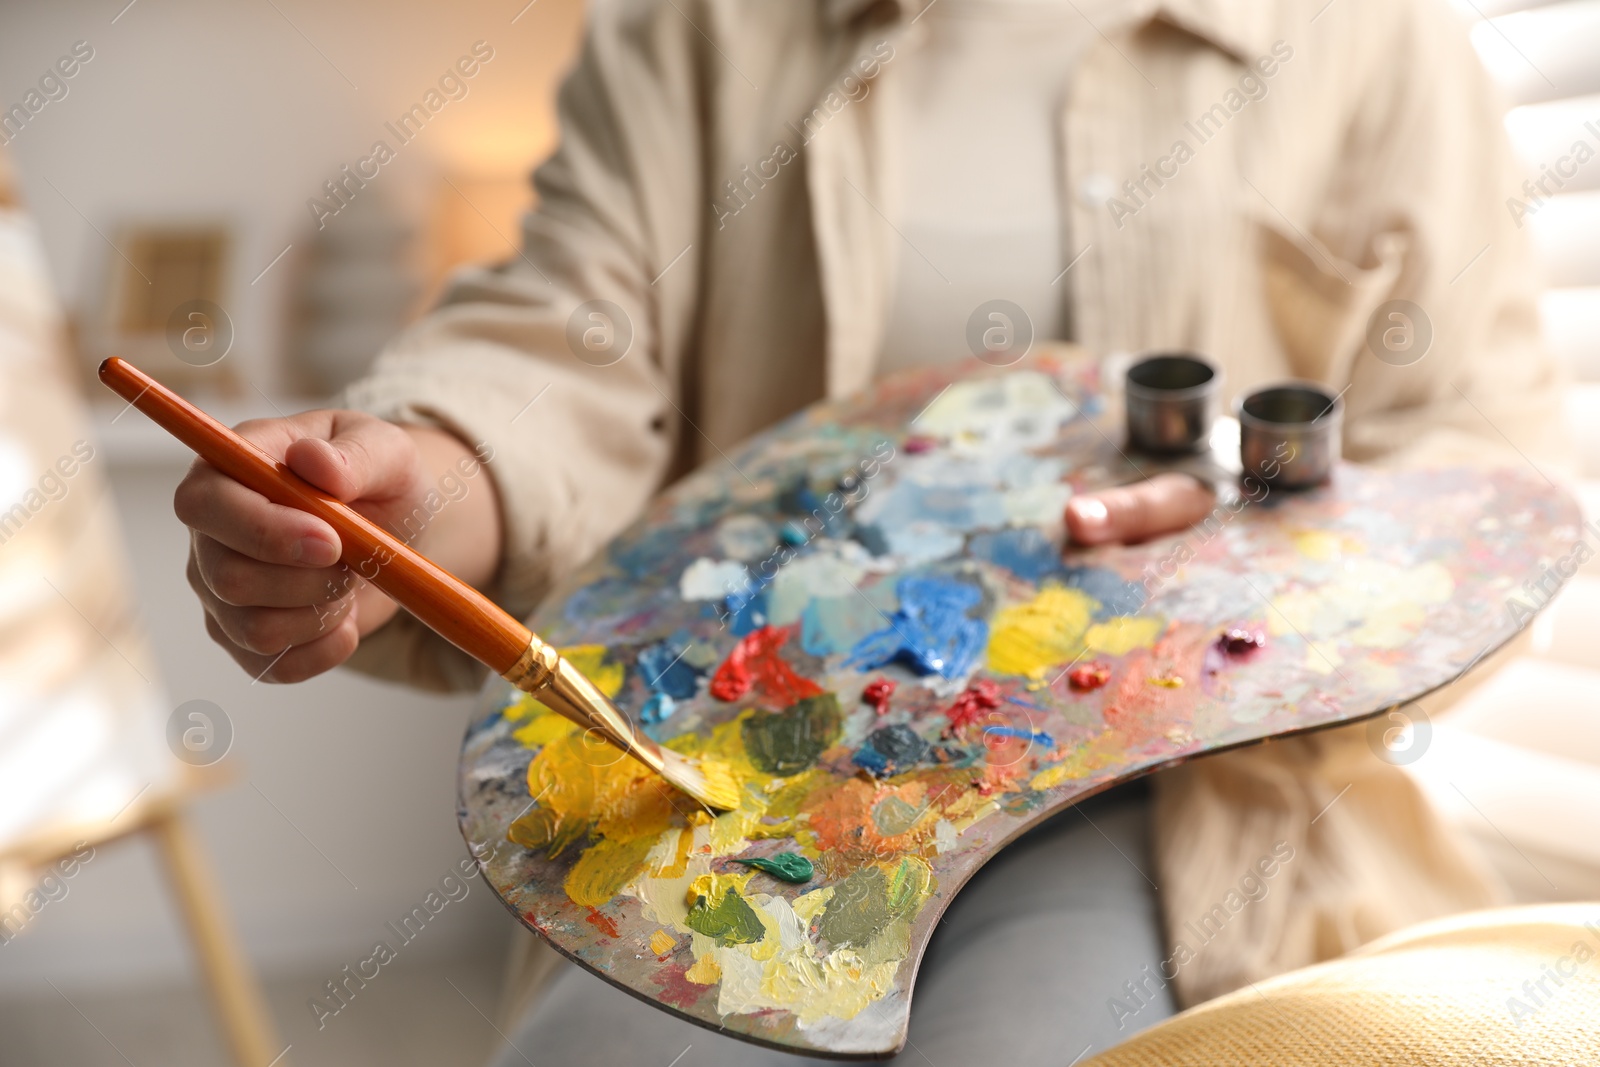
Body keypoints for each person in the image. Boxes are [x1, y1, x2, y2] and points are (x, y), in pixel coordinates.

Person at [172, 0, 1565, 1062]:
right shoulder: (698, 34)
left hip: (1174, 809)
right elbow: (563, 355)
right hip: (737, 804)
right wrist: (422, 484)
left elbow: (1483, 473)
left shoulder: (1367, 43)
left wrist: (1238, 533)